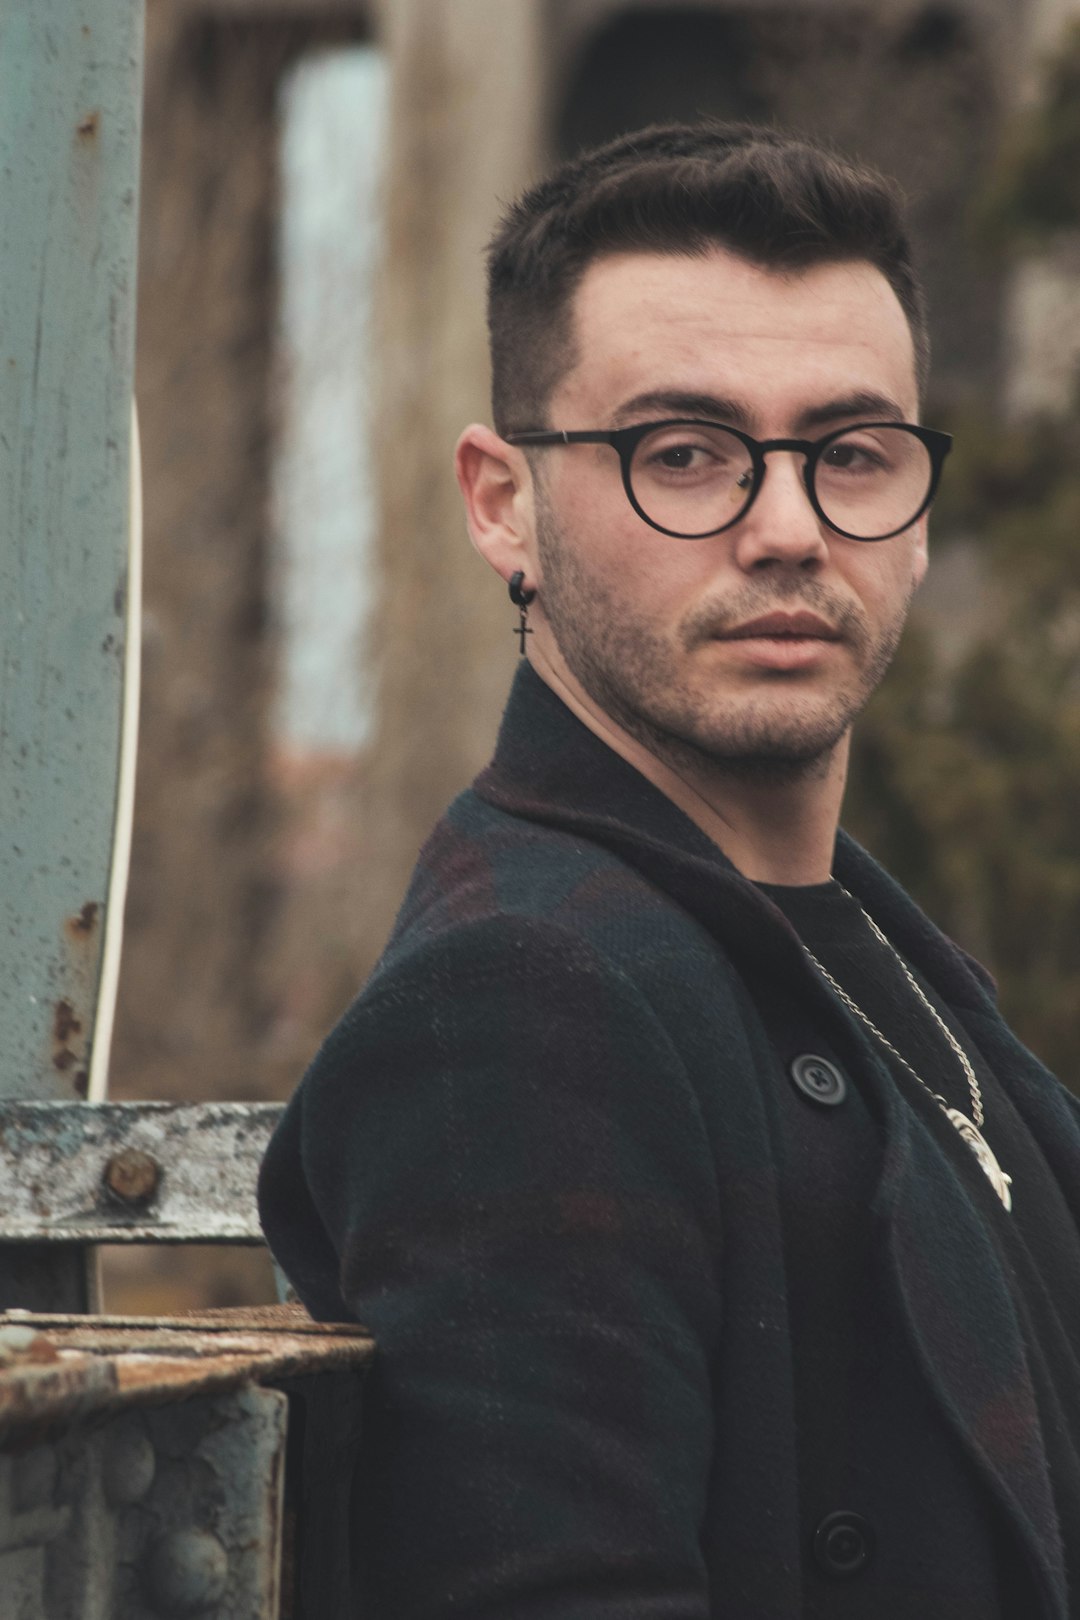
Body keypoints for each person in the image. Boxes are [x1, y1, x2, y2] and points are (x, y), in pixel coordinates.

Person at [258, 123, 1080, 1619]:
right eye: (682, 455)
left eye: (851, 454)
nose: (785, 530)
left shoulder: (866, 952)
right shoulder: (515, 999)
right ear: (503, 503)